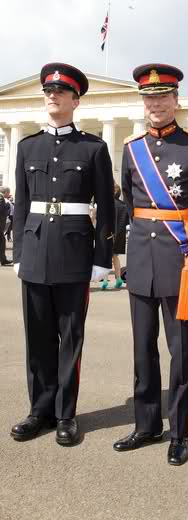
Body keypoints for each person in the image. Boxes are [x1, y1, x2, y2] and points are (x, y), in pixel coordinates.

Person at [113, 63, 188, 465]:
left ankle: (181, 431)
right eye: (149, 97)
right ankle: (146, 425)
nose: (156, 104)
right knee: (143, 348)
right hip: (141, 259)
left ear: (176, 100)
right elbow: (130, 203)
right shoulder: (131, 148)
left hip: (180, 260)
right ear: (143, 103)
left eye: (163, 96)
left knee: (180, 350)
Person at [11, 63, 115, 445]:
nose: (52, 96)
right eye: (48, 91)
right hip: (36, 250)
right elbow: (21, 206)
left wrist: (102, 257)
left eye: (61, 91)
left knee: (70, 338)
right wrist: (19, 252)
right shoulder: (27, 146)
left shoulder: (93, 148)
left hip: (74, 252)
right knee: (37, 337)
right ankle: (39, 410)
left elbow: (106, 206)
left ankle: (65, 414)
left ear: (75, 99)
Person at [101, 182, 129, 289]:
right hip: (119, 234)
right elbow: (126, 222)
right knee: (115, 257)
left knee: (106, 257)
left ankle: (105, 281)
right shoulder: (123, 205)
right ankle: (118, 279)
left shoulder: (107, 205)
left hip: (108, 233)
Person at [0, 186, 12, 265]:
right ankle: (3, 260)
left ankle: (3, 259)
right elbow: (1, 211)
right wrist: (7, 207)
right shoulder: (1, 198)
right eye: (8, 192)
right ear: (5, 192)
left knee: (2, 241)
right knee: (2, 241)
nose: (9, 194)